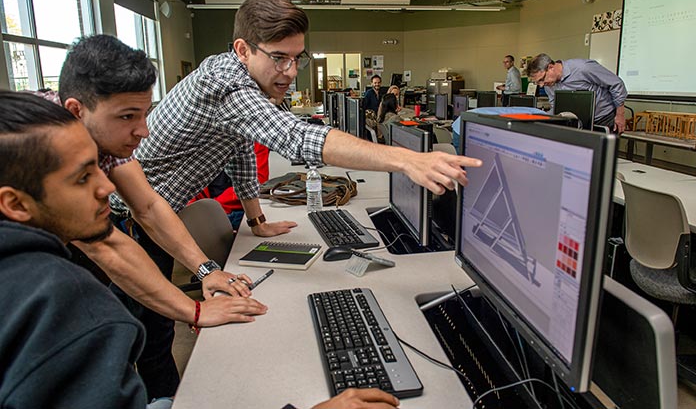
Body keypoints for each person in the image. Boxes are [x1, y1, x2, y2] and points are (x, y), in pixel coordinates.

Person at [0, 91, 401, 409]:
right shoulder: (69, 310)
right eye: (83, 177)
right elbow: (123, 233)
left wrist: (202, 284)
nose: (107, 187)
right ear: (15, 204)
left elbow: (137, 216)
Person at [112, 0, 481, 247]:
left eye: (296, 58)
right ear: (243, 50)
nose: (289, 72)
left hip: (154, 211)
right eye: (278, 58)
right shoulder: (224, 84)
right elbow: (294, 137)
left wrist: (257, 222)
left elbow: (239, 153)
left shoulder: (239, 81)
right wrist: (406, 159)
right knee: (146, 336)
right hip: (126, 217)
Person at [56, 34, 266, 399]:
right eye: (127, 117)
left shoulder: (104, 136)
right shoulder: (37, 147)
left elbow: (149, 206)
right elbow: (107, 246)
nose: (144, 130)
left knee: (145, 332)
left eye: (144, 113)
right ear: (77, 110)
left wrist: (206, 270)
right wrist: (195, 311)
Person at [527, 53, 628, 133]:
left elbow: (616, 84)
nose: (541, 85)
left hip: (604, 119)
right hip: (581, 123)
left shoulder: (582, 68)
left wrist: (620, 115)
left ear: (550, 67)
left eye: (542, 79)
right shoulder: (548, 84)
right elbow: (556, 107)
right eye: (537, 83)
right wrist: (541, 118)